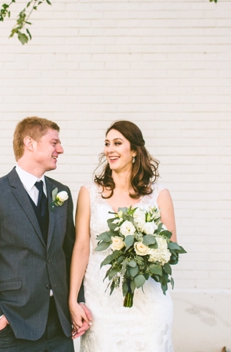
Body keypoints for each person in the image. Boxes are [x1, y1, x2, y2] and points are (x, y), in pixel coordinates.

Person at [0, 116, 91, 352]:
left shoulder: (61, 193)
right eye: (54, 143)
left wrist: (77, 301)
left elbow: (70, 253)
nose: (60, 149)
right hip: (14, 323)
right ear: (30, 143)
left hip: (60, 323)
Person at [69, 120, 177, 352]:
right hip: (101, 301)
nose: (110, 149)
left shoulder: (159, 195)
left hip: (148, 300)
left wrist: (145, 250)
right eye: (107, 144)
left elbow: (170, 249)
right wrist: (72, 299)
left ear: (135, 151)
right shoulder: (89, 193)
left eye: (118, 143)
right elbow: (81, 248)